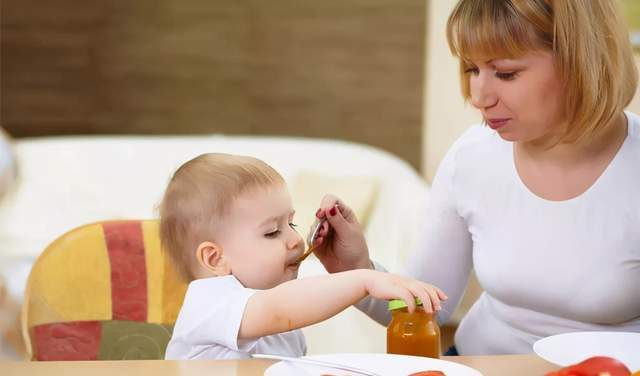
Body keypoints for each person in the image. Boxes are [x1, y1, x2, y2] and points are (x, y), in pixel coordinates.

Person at [311, 0, 640, 355]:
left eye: (506, 73)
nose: (479, 97)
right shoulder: (473, 156)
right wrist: (357, 269)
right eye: (471, 69)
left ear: (580, 63)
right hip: (476, 364)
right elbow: (425, 312)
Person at [159, 153, 446, 360]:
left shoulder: (283, 328)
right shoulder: (209, 301)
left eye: (291, 224)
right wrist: (364, 280)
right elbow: (279, 310)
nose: (295, 239)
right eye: (272, 232)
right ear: (215, 259)